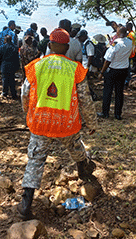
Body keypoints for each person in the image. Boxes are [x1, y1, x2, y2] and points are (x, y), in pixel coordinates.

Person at [17, 28, 98, 220]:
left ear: (50, 45)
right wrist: (91, 123)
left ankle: (26, 204)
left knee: (35, 160)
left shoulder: (37, 66)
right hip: (66, 123)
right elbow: (85, 100)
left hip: (41, 123)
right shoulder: (75, 69)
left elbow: (25, 94)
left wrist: (28, 114)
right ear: (67, 47)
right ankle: (83, 172)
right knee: (75, 147)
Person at [97, 26, 133, 120]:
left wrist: (101, 72)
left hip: (112, 70)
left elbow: (107, 60)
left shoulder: (115, 45)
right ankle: (118, 114)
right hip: (123, 70)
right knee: (119, 93)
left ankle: (105, 112)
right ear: (126, 33)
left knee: (107, 92)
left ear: (117, 34)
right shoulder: (129, 42)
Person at [0, 35, 20, 99]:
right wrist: (17, 67)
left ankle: (5, 93)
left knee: (5, 80)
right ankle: (13, 94)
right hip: (12, 66)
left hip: (4, 66)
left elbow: (0, 58)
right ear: (11, 40)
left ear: (5, 40)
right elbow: (17, 59)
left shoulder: (2, 47)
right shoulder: (15, 47)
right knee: (12, 80)